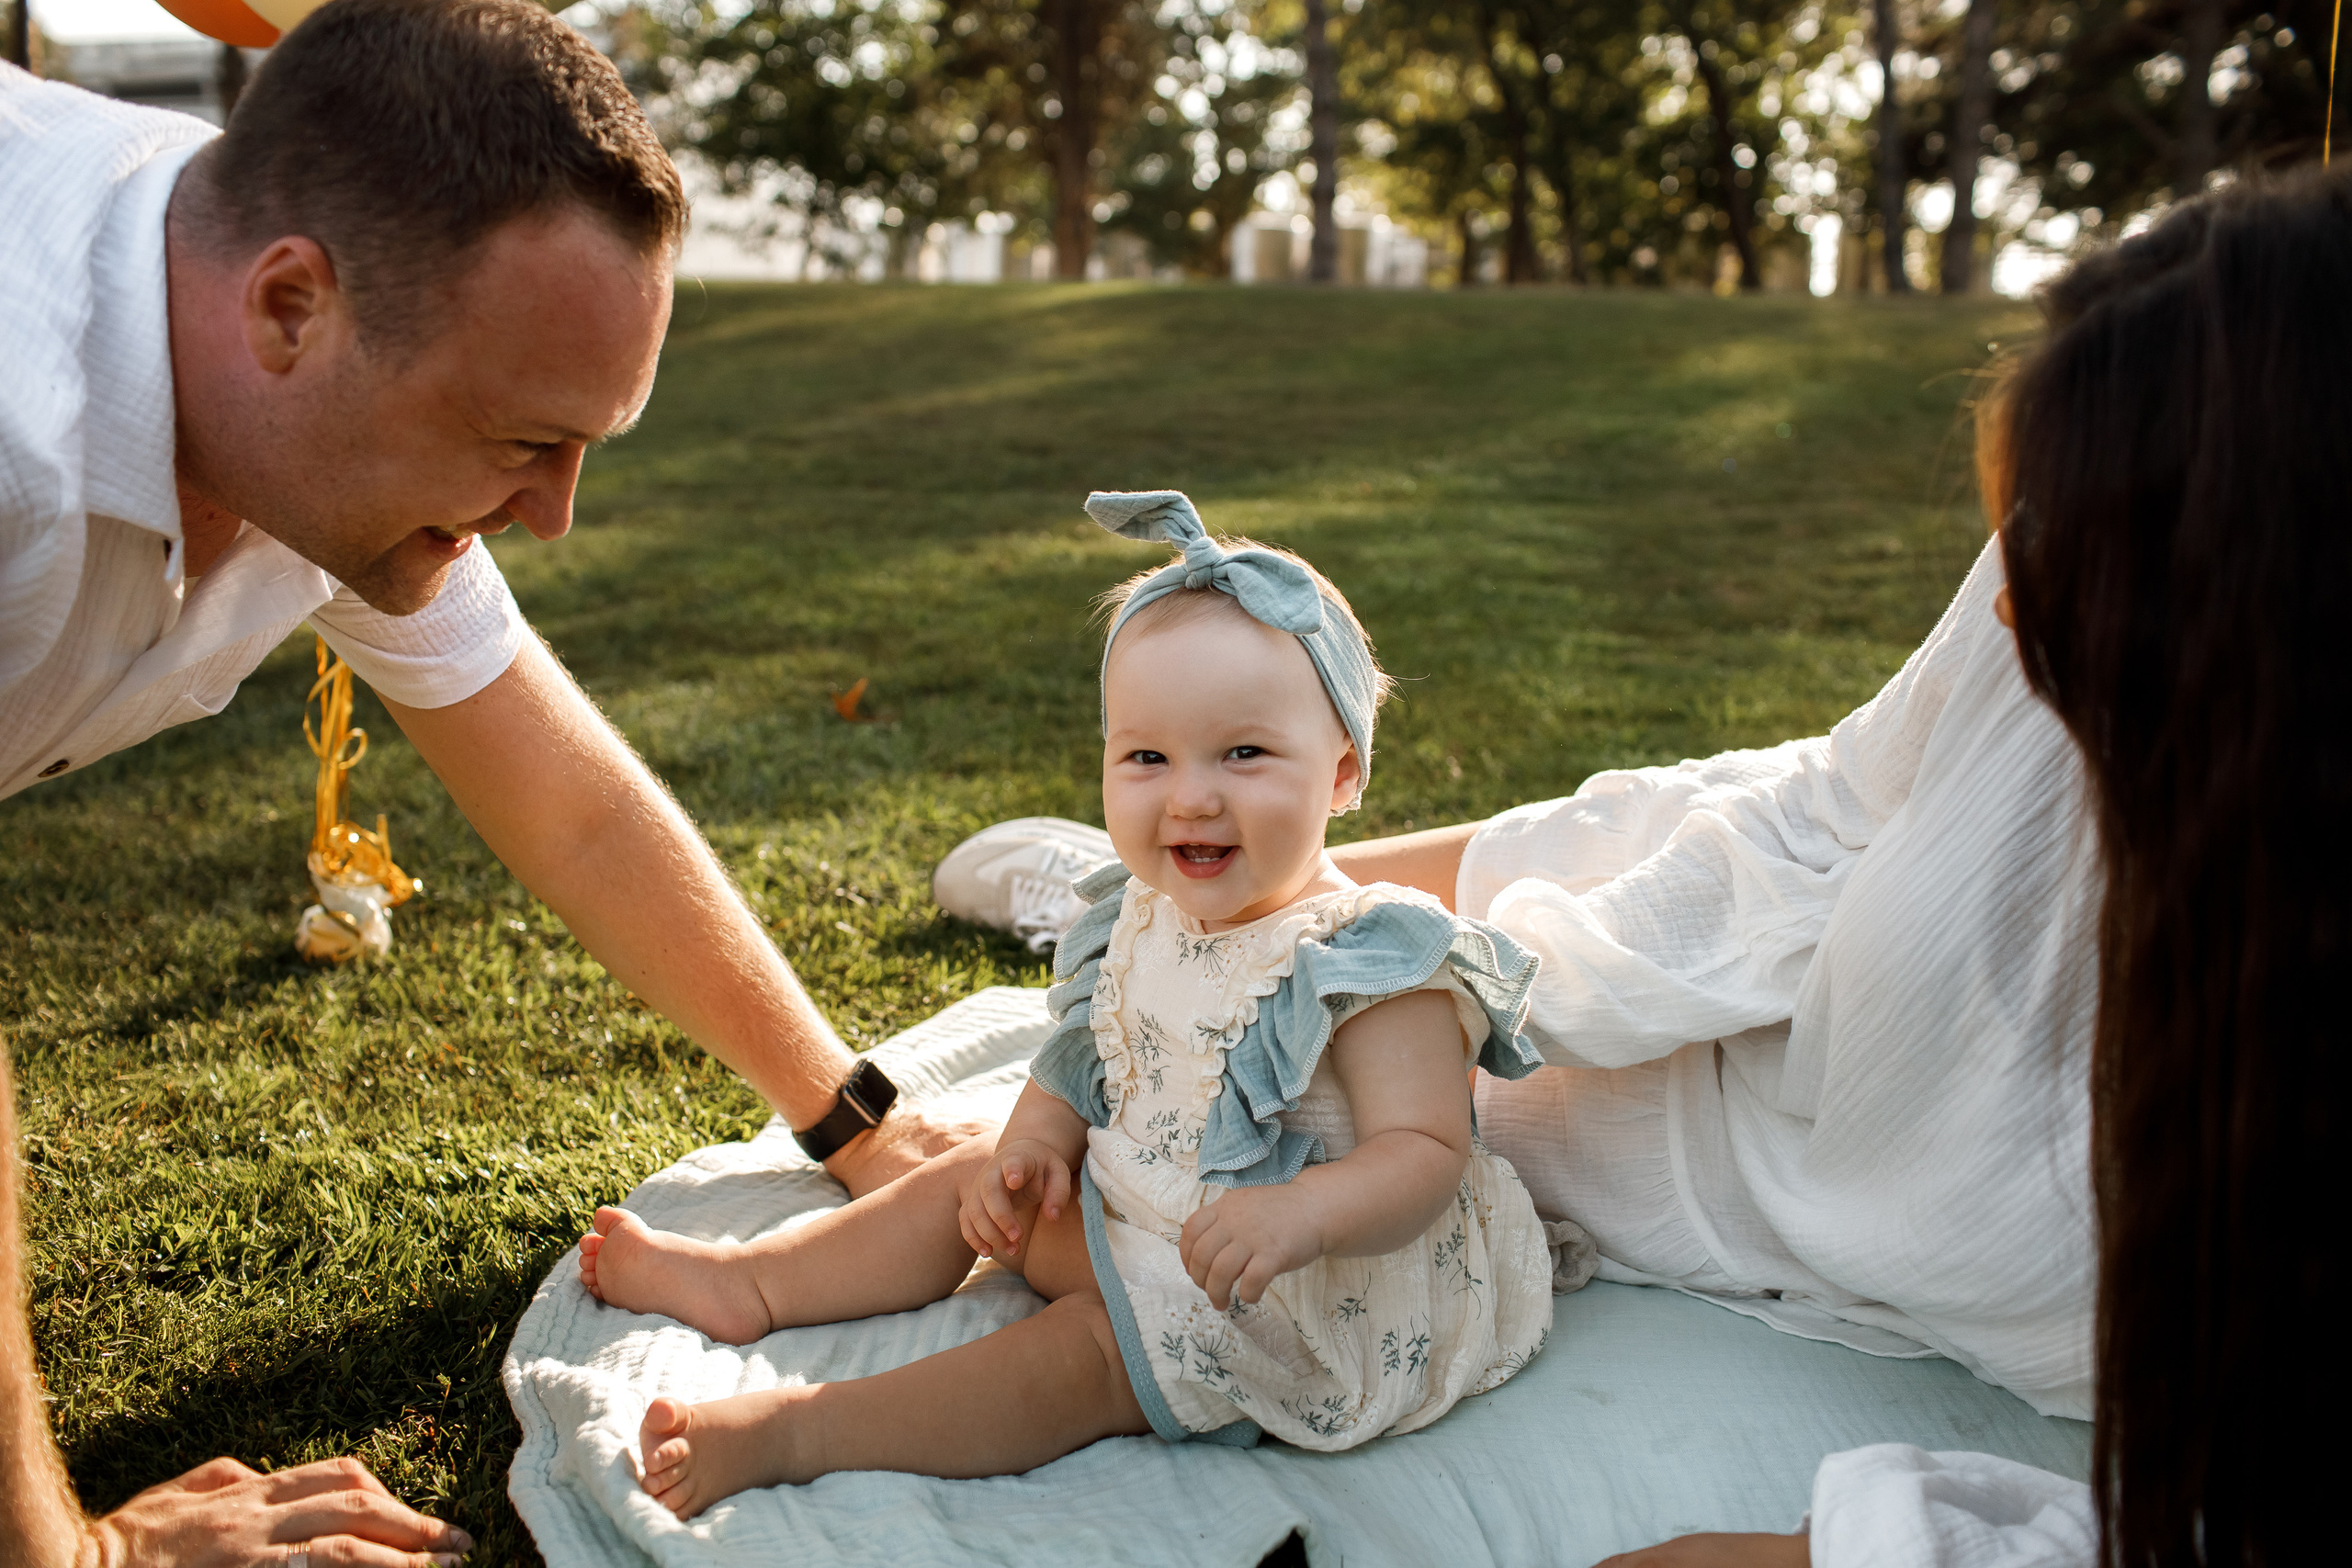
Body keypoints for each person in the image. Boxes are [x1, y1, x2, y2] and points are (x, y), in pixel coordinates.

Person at [951, 172, 2352, 1567]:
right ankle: (1204, 896)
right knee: (1625, 837)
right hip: (1777, 946)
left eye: (2071, 550)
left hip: (1823, 1145)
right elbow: (1833, 798)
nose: (2007, 591)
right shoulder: (2069, 584)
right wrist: (1409, 958)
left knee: (1412, 1114)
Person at [1, 2, 971, 1561]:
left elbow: (565, 798)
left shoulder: (292, 360)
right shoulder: (15, 449)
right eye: (522, 439)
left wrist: (854, 1120)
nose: (557, 513)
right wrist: (67, 1547)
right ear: (290, 308)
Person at [576, 492, 1562, 1516]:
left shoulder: (1363, 957)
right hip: (1139, 1211)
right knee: (971, 1171)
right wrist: (1038, 1142)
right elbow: (1082, 1056)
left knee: (1082, 1355)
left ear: (1343, 770)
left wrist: (1303, 1215)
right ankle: (756, 1285)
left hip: (1288, 1291)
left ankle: (802, 1429)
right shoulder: (1138, 911)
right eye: (1147, 757)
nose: (1190, 797)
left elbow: (1425, 1154)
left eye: (1243, 754)